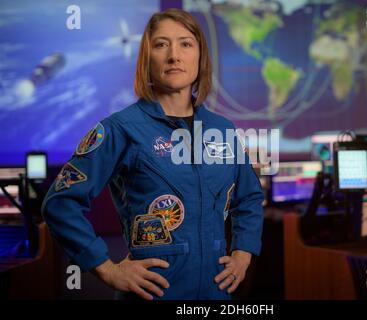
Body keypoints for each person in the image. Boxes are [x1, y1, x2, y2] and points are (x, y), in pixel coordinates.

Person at [41, 8, 264, 300]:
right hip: (153, 294)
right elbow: (60, 203)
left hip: (215, 294)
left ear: (200, 56)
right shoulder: (121, 129)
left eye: (186, 43)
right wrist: (106, 269)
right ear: (148, 58)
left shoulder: (222, 130)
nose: (174, 55)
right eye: (161, 44)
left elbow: (249, 196)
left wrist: (243, 253)